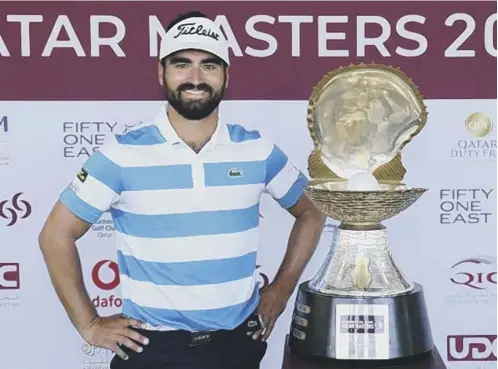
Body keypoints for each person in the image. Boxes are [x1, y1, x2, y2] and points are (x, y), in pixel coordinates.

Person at [38, 10, 325, 369]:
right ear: (162, 72)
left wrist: (280, 292)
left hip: (238, 346)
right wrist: (90, 324)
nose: (195, 77)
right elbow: (55, 235)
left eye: (209, 65)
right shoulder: (121, 154)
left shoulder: (257, 150)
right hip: (152, 350)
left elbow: (312, 211)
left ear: (226, 75)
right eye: (181, 64)